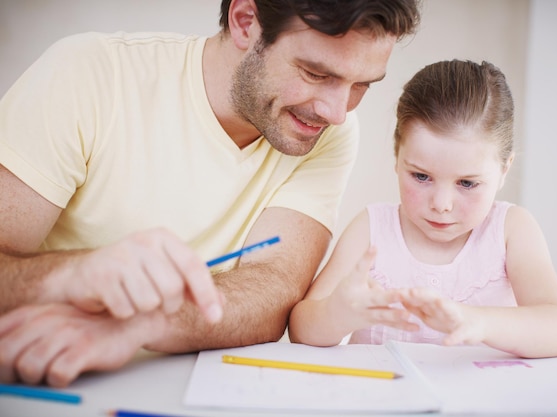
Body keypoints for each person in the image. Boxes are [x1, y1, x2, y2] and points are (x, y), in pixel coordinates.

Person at [0, 0, 421, 387]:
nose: (335, 110)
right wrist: (73, 275)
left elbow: (275, 290)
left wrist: (139, 323)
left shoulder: (328, 133)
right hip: (40, 380)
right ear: (245, 22)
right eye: (316, 73)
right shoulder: (90, 73)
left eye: (362, 85)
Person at [288, 59, 557, 358]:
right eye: (421, 176)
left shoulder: (512, 230)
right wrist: (337, 314)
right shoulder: (371, 229)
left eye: (466, 183)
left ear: (504, 169)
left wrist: (479, 321)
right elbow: (300, 329)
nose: (441, 205)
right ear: (398, 157)